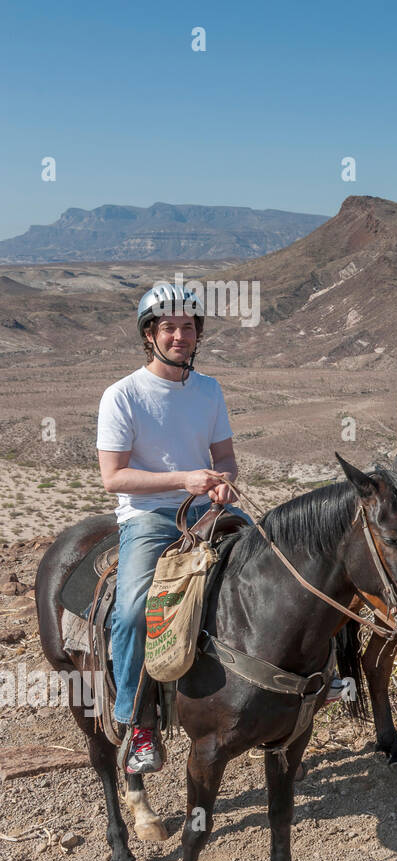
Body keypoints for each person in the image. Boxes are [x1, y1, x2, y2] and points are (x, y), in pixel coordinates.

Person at [98, 283, 248, 773]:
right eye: (169, 327)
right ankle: (136, 723)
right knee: (136, 611)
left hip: (205, 507)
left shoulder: (209, 389)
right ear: (150, 335)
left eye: (188, 327)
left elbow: (224, 457)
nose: (179, 335)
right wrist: (184, 477)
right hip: (148, 515)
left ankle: (308, 679)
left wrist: (222, 481)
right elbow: (113, 477)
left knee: (280, 563)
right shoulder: (122, 395)